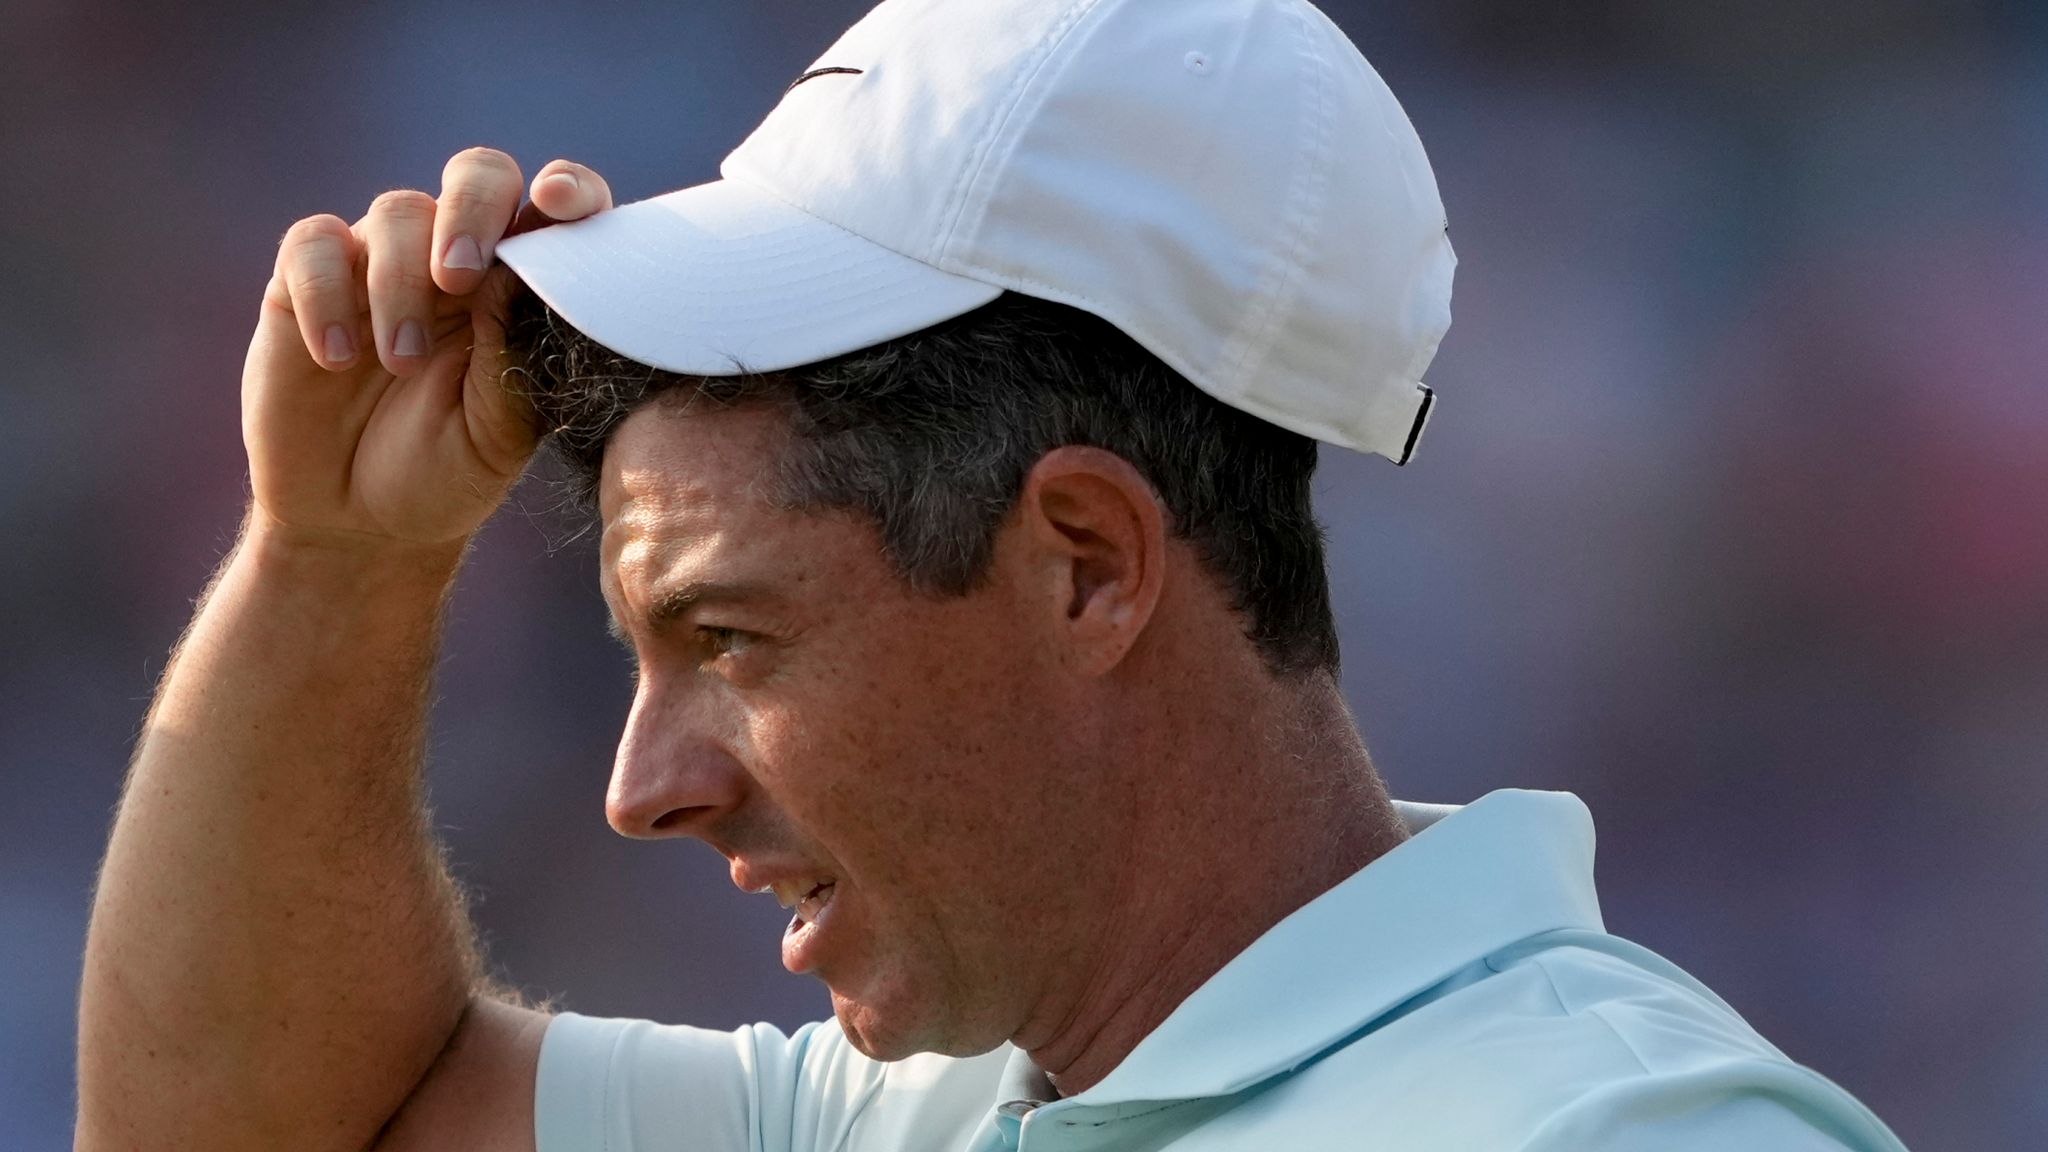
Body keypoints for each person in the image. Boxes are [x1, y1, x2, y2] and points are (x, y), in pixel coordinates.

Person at [76, 0, 1909, 1149]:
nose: (644, 787)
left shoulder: (1618, 1133)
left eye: (732, 636)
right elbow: (247, 1128)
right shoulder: (928, 1104)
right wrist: (337, 560)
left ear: (1091, 569)